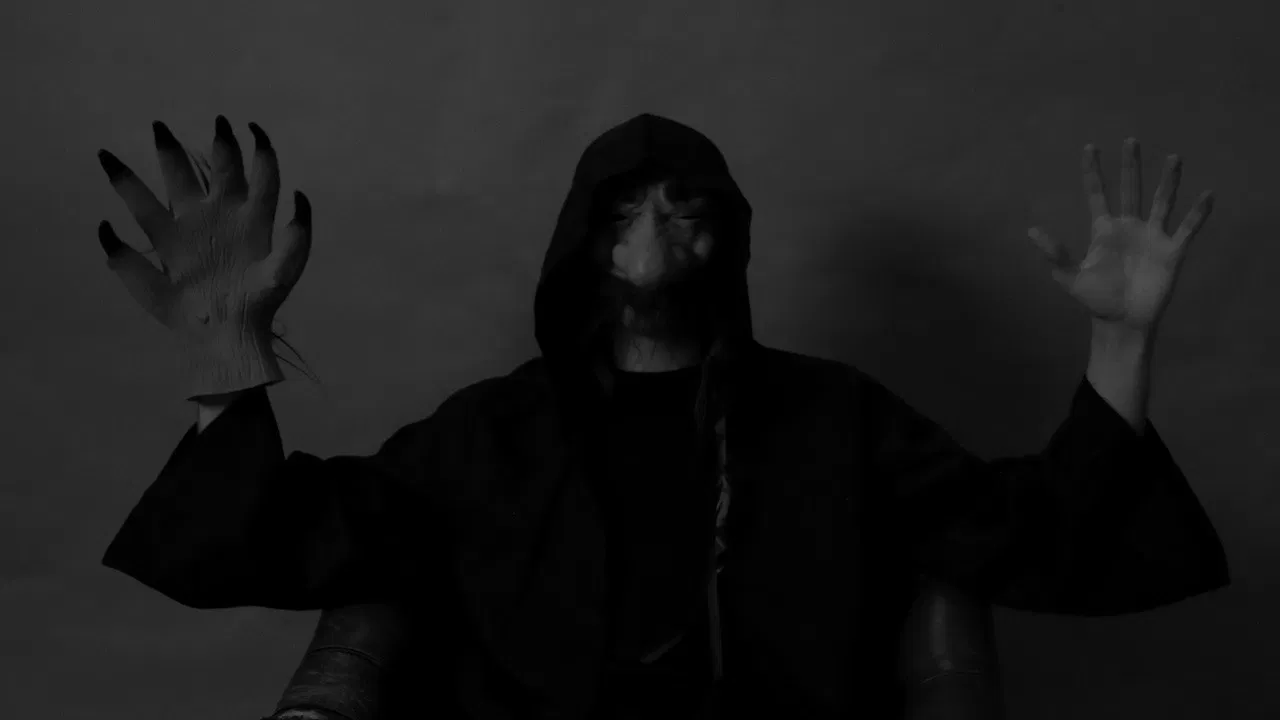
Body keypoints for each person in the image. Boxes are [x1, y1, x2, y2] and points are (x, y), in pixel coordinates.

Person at [97, 113, 1229, 719]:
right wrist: (228, 354)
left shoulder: (835, 418)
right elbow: (299, 535)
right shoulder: (494, 431)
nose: (654, 231)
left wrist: (1121, 340)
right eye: (625, 208)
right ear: (582, 242)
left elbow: (1035, 532)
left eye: (685, 206)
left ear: (728, 239)